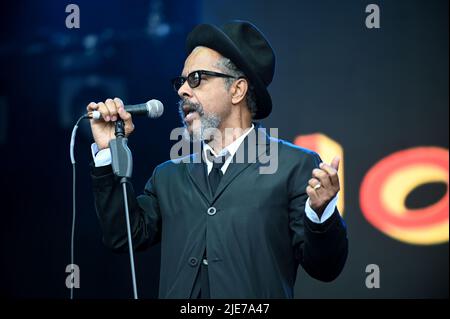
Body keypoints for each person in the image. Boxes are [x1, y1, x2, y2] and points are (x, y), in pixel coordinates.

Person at [87, 20, 348, 299]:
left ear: (237, 90)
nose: (182, 91)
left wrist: (321, 215)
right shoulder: (168, 176)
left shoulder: (293, 165)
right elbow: (123, 236)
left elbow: (325, 268)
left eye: (196, 79)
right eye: (181, 81)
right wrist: (107, 152)